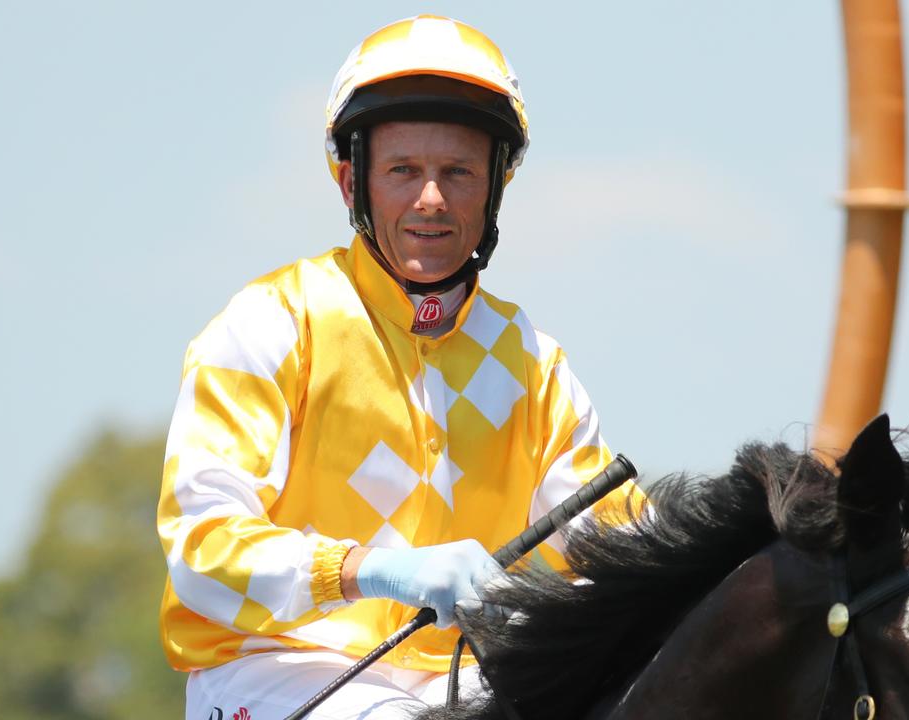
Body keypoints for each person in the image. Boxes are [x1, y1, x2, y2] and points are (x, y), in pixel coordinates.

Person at [157, 15, 635, 720]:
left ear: (496, 184)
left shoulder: (534, 362)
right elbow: (202, 549)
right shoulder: (270, 325)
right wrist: (368, 571)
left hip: (468, 675)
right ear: (353, 181)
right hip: (277, 669)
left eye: (459, 172)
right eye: (403, 171)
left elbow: (610, 541)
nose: (432, 199)